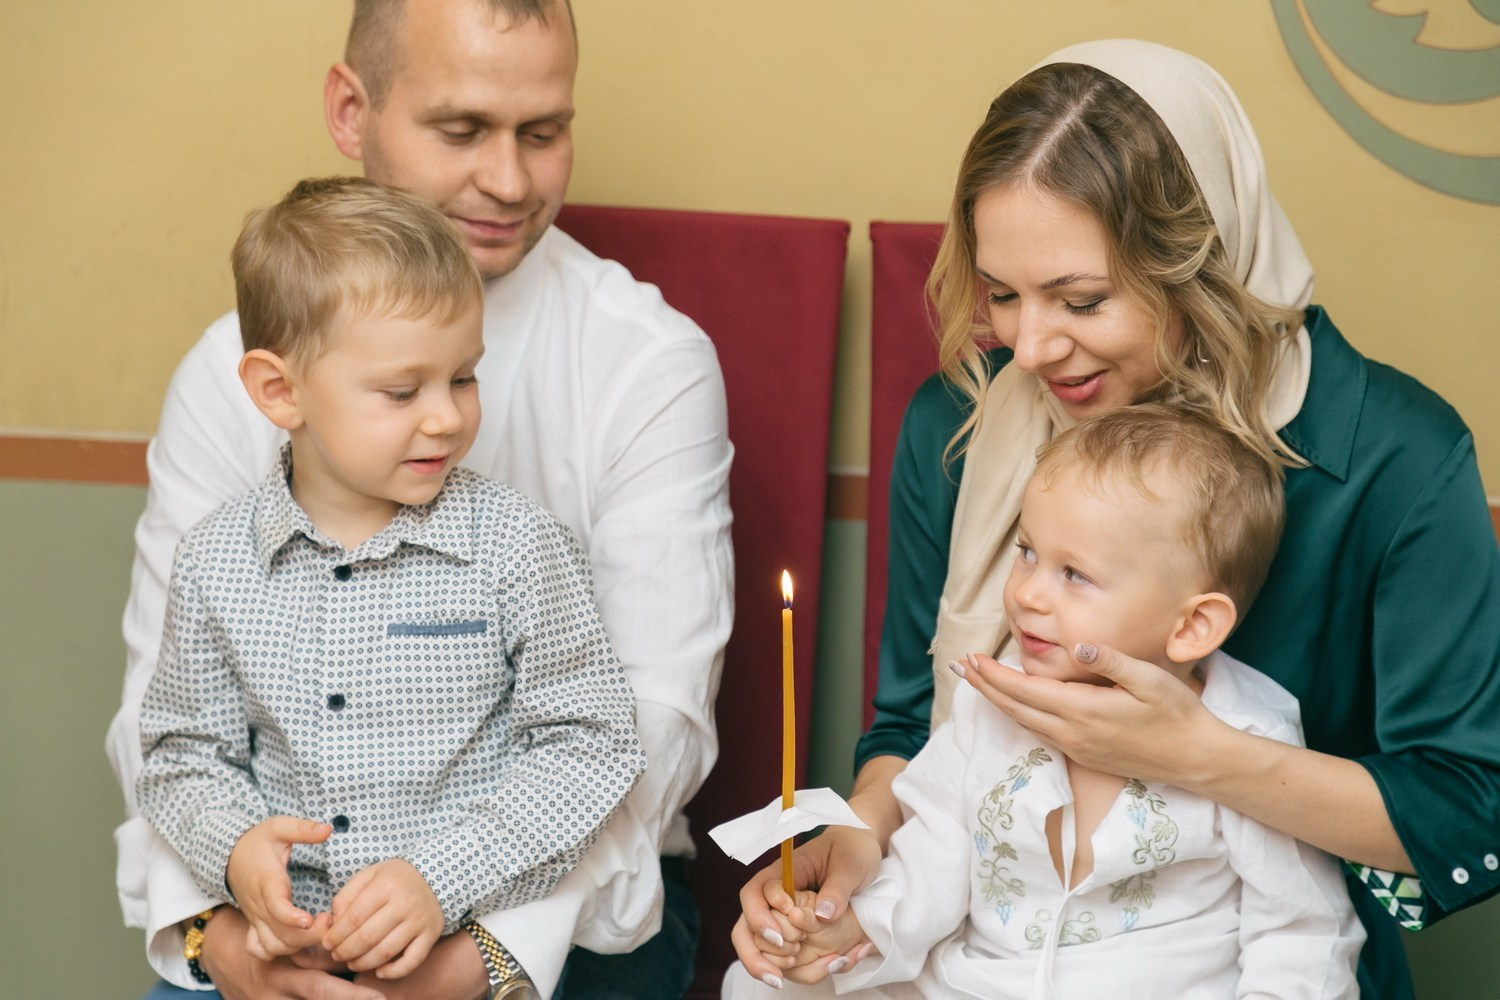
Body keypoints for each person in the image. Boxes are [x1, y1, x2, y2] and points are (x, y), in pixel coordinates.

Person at [737, 39, 1500, 999]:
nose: (1030, 347)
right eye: (1002, 296)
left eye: (1082, 299)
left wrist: (1203, 759)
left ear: (1203, 262)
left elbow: (1468, 811)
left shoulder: (1393, 456)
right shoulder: (962, 427)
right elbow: (908, 729)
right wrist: (852, 844)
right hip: (982, 949)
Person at [105, 1, 733, 997]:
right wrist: (225, 937)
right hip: (276, 924)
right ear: (351, 112)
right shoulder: (224, 374)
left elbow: (648, 731)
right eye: (461, 130)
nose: (510, 180)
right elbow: (166, 717)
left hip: (572, 912)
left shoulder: (648, 364)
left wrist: (474, 952)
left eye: (545, 131)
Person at [136, 175, 646, 991]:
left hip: (462, 953)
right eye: (404, 391)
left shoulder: (519, 547)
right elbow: (180, 751)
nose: (445, 417)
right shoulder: (215, 562)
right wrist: (234, 850)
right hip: (277, 954)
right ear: (280, 390)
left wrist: (439, 878)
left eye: (465, 378)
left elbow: (589, 746)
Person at [730, 405, 1364, 997]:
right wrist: (856, 928)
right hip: (978, 983)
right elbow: (930, 856)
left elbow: (1301, 933)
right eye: (1027, 552)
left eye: (1075, 574)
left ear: (1192, 626)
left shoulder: (1250, 738)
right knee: (756, 983)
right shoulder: (992, 697)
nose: (1029, 593)